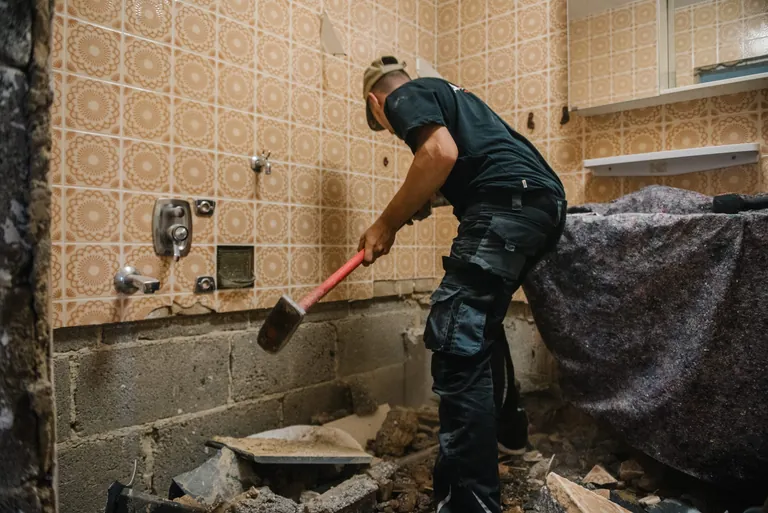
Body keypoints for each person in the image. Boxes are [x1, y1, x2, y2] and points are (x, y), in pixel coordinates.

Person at [358, 56, 567, 513]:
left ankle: (470, 503)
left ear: (376, 104)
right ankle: (510, 436)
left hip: (505, 201)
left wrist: (385, 223)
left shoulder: (402, 96)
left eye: (387, 125)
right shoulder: (453, 95)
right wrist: (421, 202)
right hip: (541, 203)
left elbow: (438, 154)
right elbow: (455, 165)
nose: (394, 128)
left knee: (454, 338)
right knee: (478, 329)